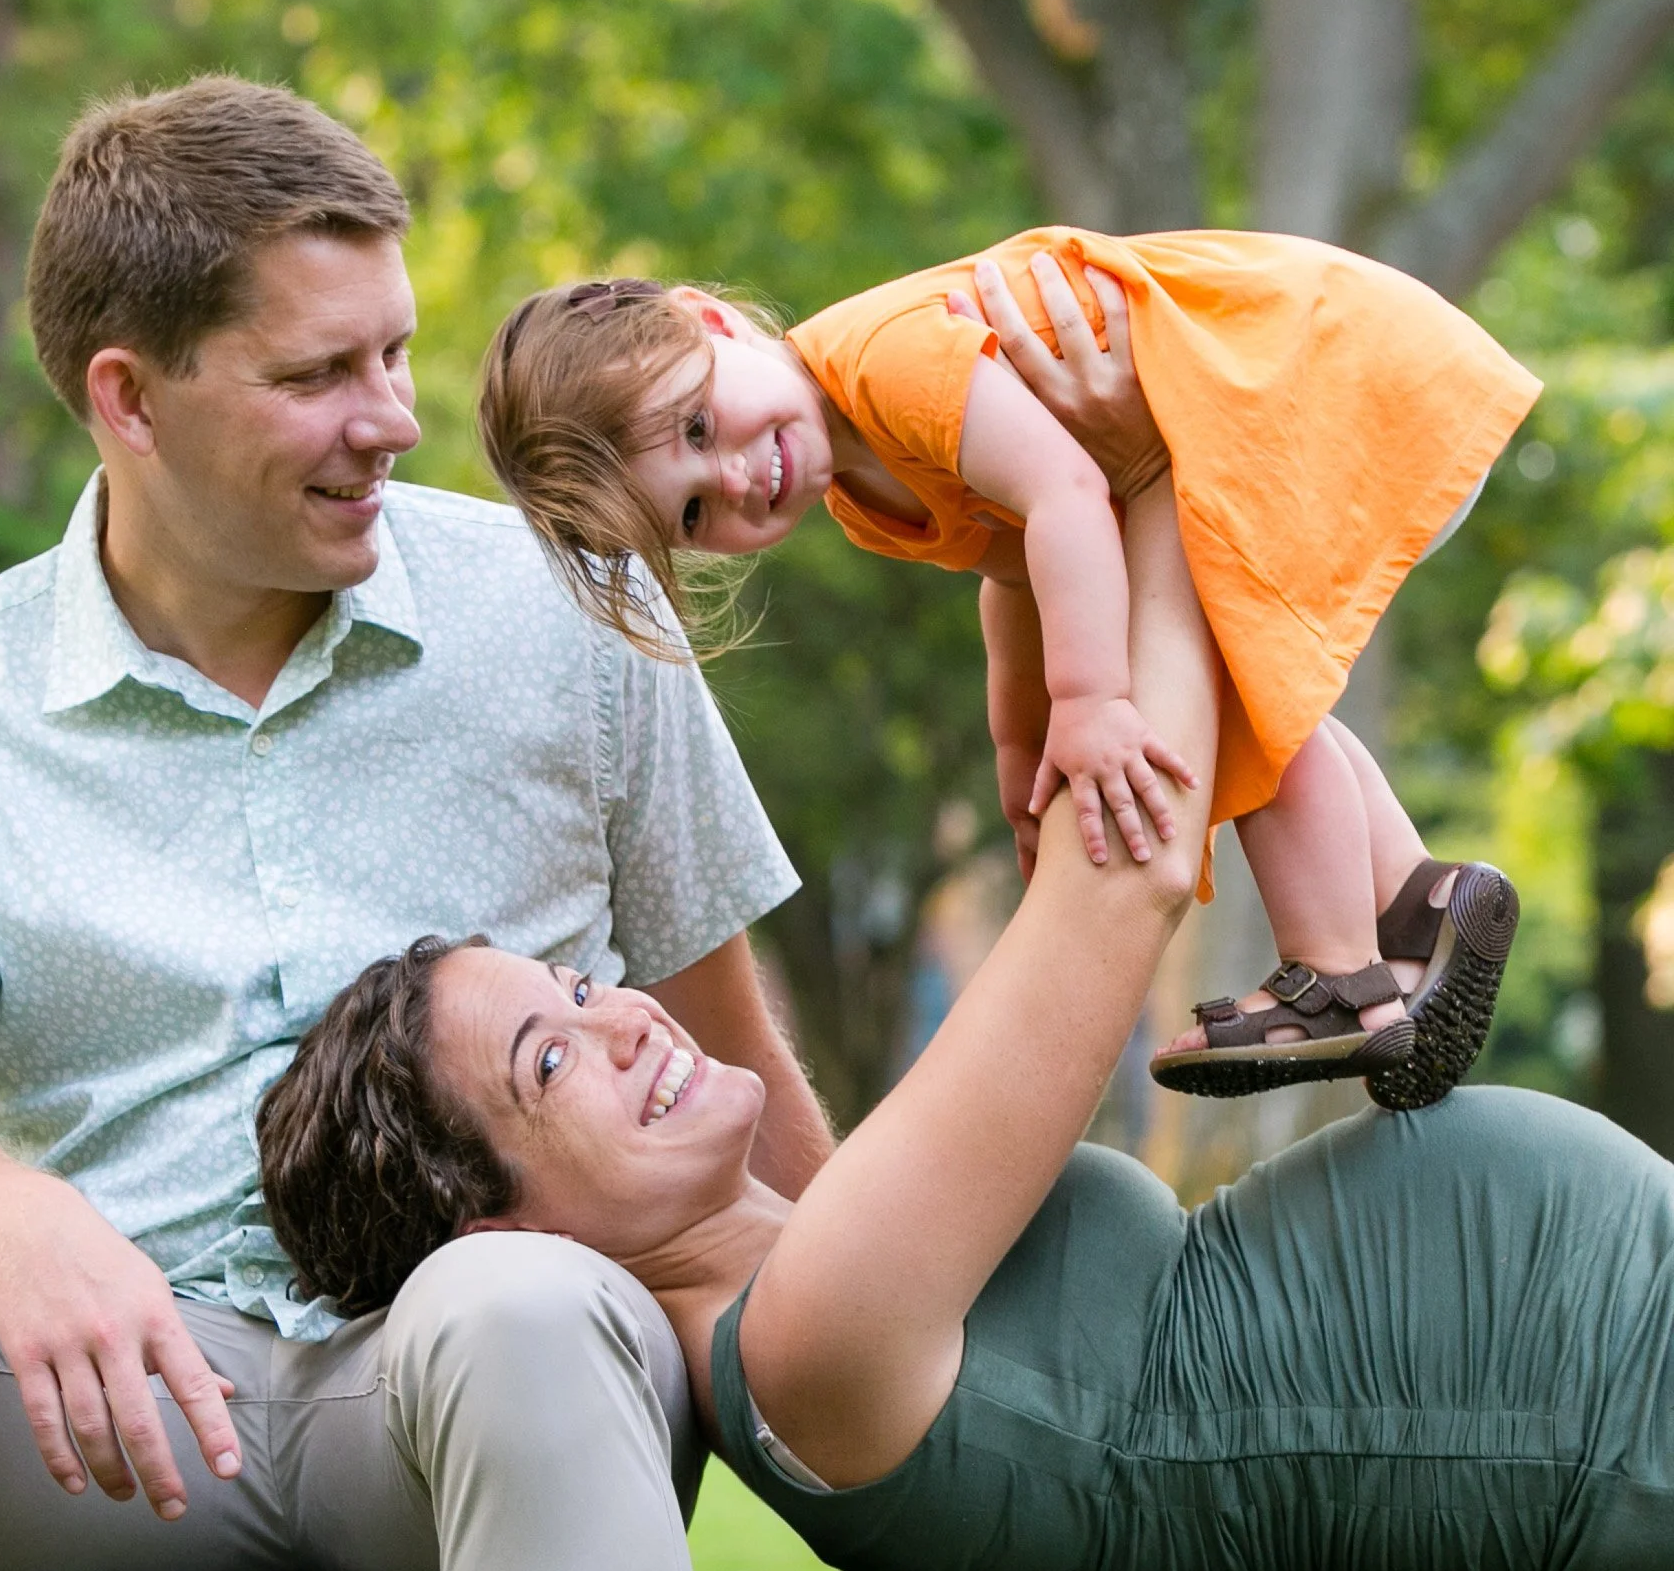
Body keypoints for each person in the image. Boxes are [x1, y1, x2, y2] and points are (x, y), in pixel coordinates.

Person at [0, 74, 841, 1571]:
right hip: (100, 1405)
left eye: (400, 355)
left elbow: (759, 1083)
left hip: (472, 1386)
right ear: (127, 395)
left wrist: (905, 1382)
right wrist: (30, 1225)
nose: (391, 418)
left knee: (525, 1311)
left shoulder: (562, 614)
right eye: (322, 374)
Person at [261, 468, 1674, 1571]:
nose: (625, 1018)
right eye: (549, 1062)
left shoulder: (819, 1275)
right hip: (1614, 1403)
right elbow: (1121, 873)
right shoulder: (810, 1338)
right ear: (497, 1226)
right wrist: (1160, 471)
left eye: (574, 987)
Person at [478, 229, 1542, 1109]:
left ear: (710, 322)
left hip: (1310, 376)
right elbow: (1017, 572)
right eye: (695, 511)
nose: (737, 476)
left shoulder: (882, 360)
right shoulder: (860, 484)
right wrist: (1021, 740)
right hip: (1303, 385)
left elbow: (1069, 496)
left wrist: (1089, 701)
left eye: (700, 423)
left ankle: (1339, 974)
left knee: (1224, 686)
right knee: (1221, 668)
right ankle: (1419, 903)